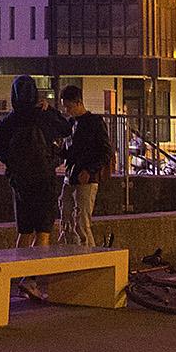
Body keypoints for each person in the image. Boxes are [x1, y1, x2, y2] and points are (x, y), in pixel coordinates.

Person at [0, 75, 66, 298]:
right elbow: (66, 129)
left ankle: (18, 274)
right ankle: (30, 279)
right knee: (43, 231)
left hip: (20, 181)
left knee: (24, 230)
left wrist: (13, 161)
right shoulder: (42, 115)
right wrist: (49, 109)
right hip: (43, 179)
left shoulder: (10, 120)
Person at [56, 84, 114, 247]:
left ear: (78, 102)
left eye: (68, 106)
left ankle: (88, 257)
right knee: (66, 220)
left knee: (81, 223)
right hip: (70, 177)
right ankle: (71, 254)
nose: (67, 110)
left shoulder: (94, 122)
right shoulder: (71, 123)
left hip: (86, 179)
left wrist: (90, 170)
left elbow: (106, 151)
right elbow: (69, 151)